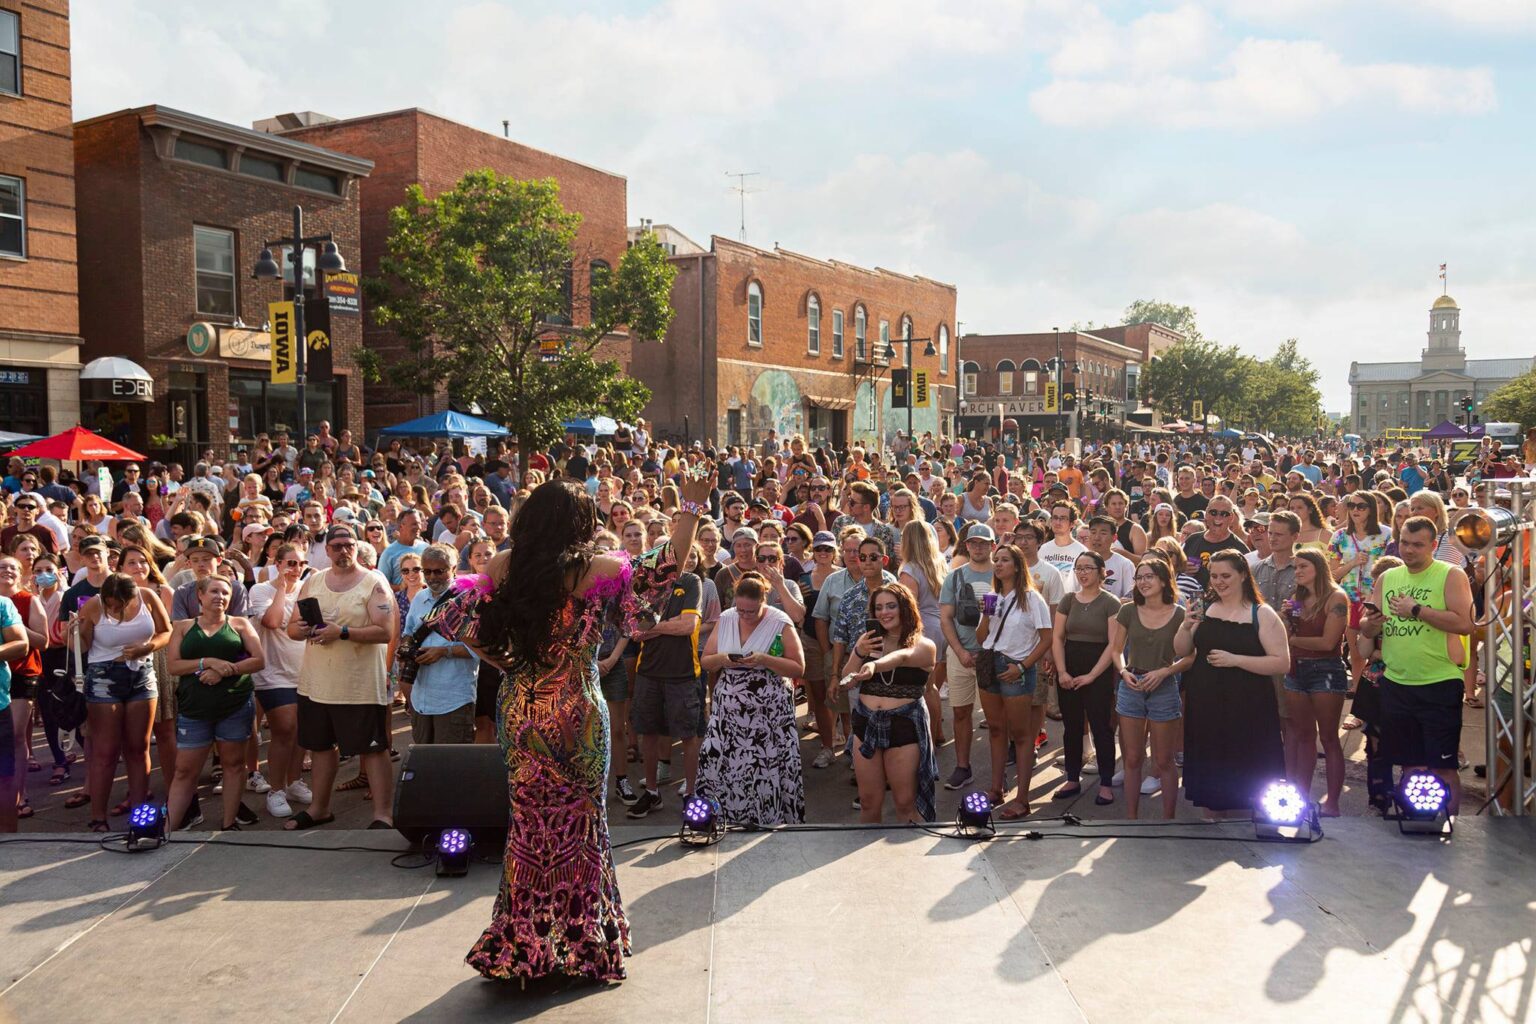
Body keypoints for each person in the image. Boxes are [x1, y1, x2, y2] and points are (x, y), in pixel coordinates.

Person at [427, 475, 710, 983]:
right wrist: (690, 505)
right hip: (578, 708)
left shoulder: (503, 565)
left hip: (523, 707)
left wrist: (504, 660)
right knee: (582, 824)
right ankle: (584, 942)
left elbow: (456, 619)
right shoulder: (598, 569)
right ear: (580, 524)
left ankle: (522, 943)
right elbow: (668, 563)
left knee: (530, 825)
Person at [1360, 516, 1474, 816]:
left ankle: (1450, 826)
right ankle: (1415, 821)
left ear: (1433, 545)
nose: (1409, 551)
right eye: (1405, 544)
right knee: (1410, 765)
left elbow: (1464, 623)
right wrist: (1369, 625)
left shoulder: (1450, 575)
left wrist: (1417, 610)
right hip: (1397, 683)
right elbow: (1371, 630)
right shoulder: (1388, 578)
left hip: (1439, 682)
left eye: (1418, 545)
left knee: (1443, 766)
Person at [284, 525, 397, 831]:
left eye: (349, 545)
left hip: (359, 684)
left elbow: (385, 631)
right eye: (336, 546)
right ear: (327, 550)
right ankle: (319, 808)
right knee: (320, 747)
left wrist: (342, 632)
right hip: (317, 683)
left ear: (357, 547)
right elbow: (292, 629)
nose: (343, 551)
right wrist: (309, 629)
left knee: (373, 749)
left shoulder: (374, 582)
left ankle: (383, 814)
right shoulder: (315, 581)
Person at [1174, 551, 1289, 818]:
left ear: (1242, 576)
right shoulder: (1204, 606)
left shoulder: (1262, 613)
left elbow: (1282, 662)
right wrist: (1185, 626)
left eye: (1225, 576)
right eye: (1214, 576)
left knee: (1249, 766)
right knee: (1210, 765)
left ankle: (1252, 823)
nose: (1219, 581)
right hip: (1206, 701)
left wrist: (1236, 659)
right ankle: (1212, 821)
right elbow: (1182, 650)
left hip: (1248, 705)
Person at [697, 571, 806, 825]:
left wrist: (764, 659)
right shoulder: (726, 618)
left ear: (763, 602)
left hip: (768, 710)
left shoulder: (780, 622)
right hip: (729, 710)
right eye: (740, 610)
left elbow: (798, 668)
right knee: (722, 762)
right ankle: (723, 816)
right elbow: (705, 661)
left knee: (763, 767)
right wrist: (723, 659)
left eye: (750, 611)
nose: (744, 615)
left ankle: (768, 818)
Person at [163, 576, 266, 831]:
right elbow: (173, 666)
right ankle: (167, 830)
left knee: (233, 764)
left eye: (225, 592)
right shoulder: (184, 627)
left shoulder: (240, 624)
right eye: (213, 591)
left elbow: (258, 660)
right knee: (185, 771)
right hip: (194, 708)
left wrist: (224, 671)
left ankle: (229, 822)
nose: (219, 596)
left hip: (235, 705)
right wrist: (206, 661)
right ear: (200, 595)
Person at [75, 572, 172, 831]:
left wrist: (147, 648)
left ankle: (140, 820)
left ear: (131, 597)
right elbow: (81, 647)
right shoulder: (94, 604)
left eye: (120, 605)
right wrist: (75, 630)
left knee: (138, 749)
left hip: (141, 674)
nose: (115, 610)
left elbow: (166, 632)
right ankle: (98, 818)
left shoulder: (148, 596)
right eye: (111, 606)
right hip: (104, 677)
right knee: (105, 751)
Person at [836, 581, 938, 823]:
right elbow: (847, 680)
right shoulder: (868, 641)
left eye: (891, 606)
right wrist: (860, 653)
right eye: (879, 608)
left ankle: (907, 859)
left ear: (905, 608)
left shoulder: (924, 645)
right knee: (869, 803)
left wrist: (873, 664)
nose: (884, 613)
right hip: (866, 723)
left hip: (903, 726)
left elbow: (902, 657)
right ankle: (868, 861)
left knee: (905, 804)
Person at [1108, 557, 1190, 819]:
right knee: (1132, 759)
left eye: (1149, 577)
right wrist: (1122, 671)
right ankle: (1131, 819)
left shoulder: (1180, 613)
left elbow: (1190, 657)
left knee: (1163, 760)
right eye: (1139, 577)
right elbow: (1117, 650)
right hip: (1131, 683)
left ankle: (1168, 820)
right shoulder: (1129, 610)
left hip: (1164, 686)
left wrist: (1165, 671)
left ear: (1164, 580)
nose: (1142, 582)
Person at [976, 543, 1052, 819]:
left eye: (1005, 560)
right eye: (996, 559)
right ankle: (996, 789)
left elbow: (1047, 639)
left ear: (1018, 566)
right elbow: (980, 638)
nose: (998, 564)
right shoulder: (992, 596)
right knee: (996, 729)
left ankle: (1022, 799)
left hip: (1016, 666)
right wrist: (986, 613)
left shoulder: (1032, 599)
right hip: (991, 664)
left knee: (1022, 736)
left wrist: (1022, 667)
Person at [626, 554, 704, 816]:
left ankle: (692, 794)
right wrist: (666, 625)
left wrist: (655, 626)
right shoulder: (644, 583)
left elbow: (688, 626)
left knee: (688, 735)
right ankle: (651, 792)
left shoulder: (692, 582)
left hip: (683, 674)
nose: (685, 558)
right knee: (648, 732)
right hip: (648, 672)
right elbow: (635, 630)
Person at [1282, 549, 1350, 816]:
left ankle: (1332, 802)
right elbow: (1286, 632)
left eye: (1303, 567)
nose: (1297, 572)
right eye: (1296, 567)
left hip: (1326, 671)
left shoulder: (1336, 597)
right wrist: (1285, 618)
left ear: (1319, 568)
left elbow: (1327, 642)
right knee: (1301, 735)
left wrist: (1292, 641)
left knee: (1330, 737)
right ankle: (1299, 796)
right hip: (1296, 669)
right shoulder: (1298, 598)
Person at [246, 542, 311, 818]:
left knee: (302, 730)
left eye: (300, 564)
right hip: (272, 673)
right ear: (277, 563)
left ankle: (294, 781)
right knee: (284, 729)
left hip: (305, 671)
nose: (295, 569)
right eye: (290, 563)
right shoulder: (261, 590)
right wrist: (283, 588)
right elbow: (272, 621)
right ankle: (276, 789)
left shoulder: (309, 591)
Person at [1051, 552, 1121, 805]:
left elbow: (1114, 644)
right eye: (1078, 568)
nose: (1082, 573)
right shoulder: (1068, 600)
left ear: (1101, 571)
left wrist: (1092, 675)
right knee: (1071, 726)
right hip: (1069, 666)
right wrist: (1061, 671)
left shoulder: (1111, 603)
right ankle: (1071, 777)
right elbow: (1058, 637)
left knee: (1102, 728)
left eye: (1088, 568)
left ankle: (1105, 782)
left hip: (1098, 671)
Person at [938, 524, 997, 791]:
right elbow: (946, 618)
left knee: (998, 717)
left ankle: (999, 773)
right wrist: (960, 651)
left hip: (994, 655)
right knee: (960, 713)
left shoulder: (1003, 573)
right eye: (974, 543)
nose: (978, 547)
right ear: (967, 545)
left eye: (983, 543)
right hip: (960, 654)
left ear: (992, 546)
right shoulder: (955, 576)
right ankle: (963, 766)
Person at [402, 544, 479, 744]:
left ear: (454, 569)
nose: (432, 577)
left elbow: (480, 649)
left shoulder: (470, 601)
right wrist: (405, 648)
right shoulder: (419, 598)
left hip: (453, 699)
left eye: (439, 571)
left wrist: (444, 652)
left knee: (452, 767)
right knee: (425, 765)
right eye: (427, 571)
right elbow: (408, 632)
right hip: (421, 700)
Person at [897, 519, 949, 759]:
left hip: (924, 629)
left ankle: (927, 737)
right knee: (933, 686)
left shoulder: (910, 569)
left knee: (925, 687)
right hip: (941, 627)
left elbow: (909, 607)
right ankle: (938, 733)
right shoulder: (939, 563)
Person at [0, 581, 27, 832]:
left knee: (4, 779)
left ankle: (8, 846)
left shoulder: (2, 604)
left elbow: (21, 644)